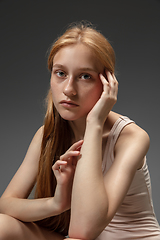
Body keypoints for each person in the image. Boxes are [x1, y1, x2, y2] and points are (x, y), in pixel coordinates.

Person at [0, 22, 160, 240]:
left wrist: (95, 123)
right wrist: (57, 204)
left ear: (107, 83)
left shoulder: (131, 138)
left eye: (85, 76)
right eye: (60, 73)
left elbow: (83, 230)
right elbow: (6, 204)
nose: (68, 89)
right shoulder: (47, 135)